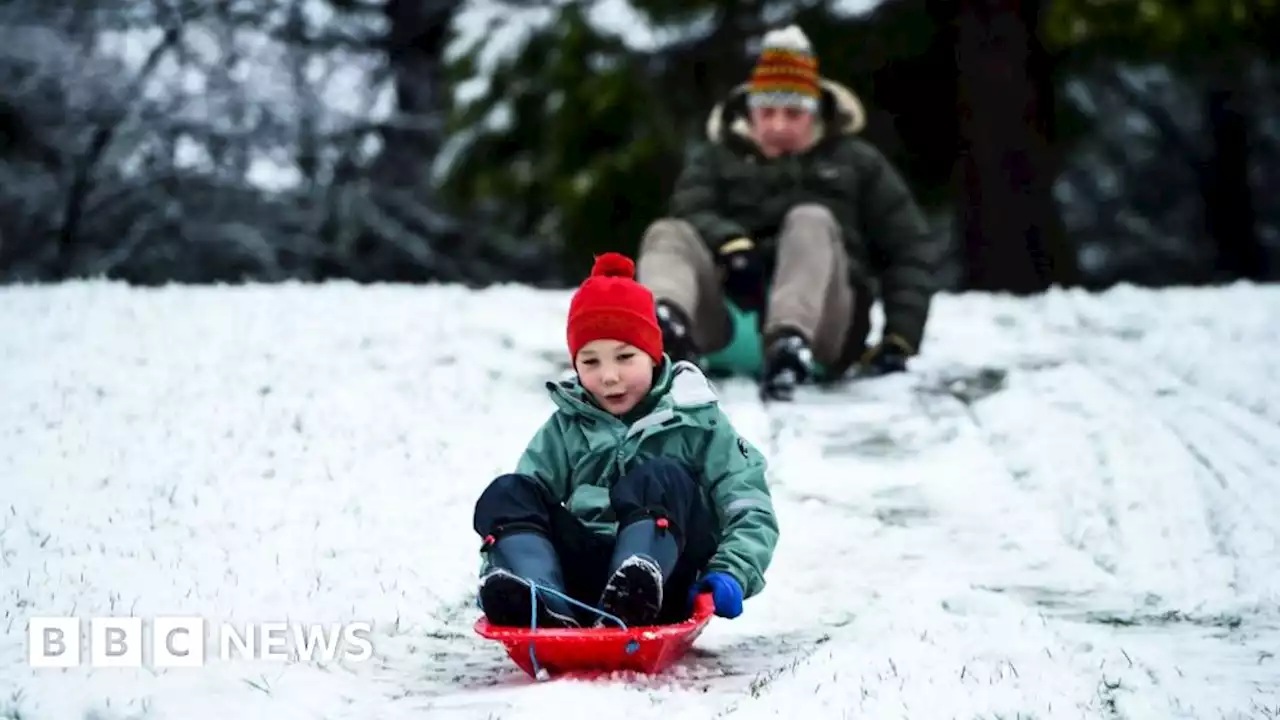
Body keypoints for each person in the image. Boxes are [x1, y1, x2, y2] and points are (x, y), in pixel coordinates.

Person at [473, 252, 779, 629]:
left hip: (671, 574)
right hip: (586, 578)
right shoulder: (568, 426)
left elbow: (748, 504)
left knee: (660, 477)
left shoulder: (695, 418)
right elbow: (525, 504)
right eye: (591, 362)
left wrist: (732, 571)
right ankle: (542, 600)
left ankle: (637, 585)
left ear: (653, 355)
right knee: (508, 492)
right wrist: (500, 567)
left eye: (624, 357)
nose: (610, 376)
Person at [636, 24, 939, 400]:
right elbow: (690, 207)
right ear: (750, 110)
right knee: (668, 232)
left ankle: (790, 343)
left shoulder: (857, 163)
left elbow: (908, 248)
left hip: (825, 329)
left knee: (810, 219)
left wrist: (900, 338)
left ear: (815, 114)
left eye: (793, 113)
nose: (779, 125)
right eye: (768, 112)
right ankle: (661, 330)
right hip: (726, 320)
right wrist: (730, 245)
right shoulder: (716, 159)